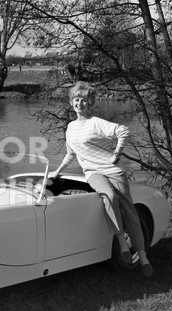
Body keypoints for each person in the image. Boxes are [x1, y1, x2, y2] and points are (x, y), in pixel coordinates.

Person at [49, 81, 153, 277]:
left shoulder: (96, 123)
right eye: (76, 100)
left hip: (113, 169)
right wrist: (57, 171)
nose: (80, 104)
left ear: (90, 102)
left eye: (84, 100)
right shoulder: (70, 128)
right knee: (108, 196)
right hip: (93, 172)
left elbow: (123, 131)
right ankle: (121, 240)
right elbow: (71, 154)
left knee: (130, 211)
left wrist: (117, 154)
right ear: (72, 102)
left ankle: (142, 255)